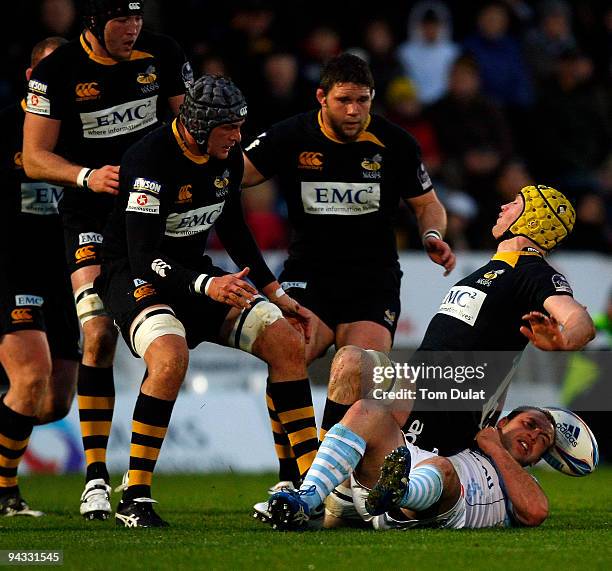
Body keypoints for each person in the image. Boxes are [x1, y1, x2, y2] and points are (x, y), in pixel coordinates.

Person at [95, 74, 319, 528]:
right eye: (229, 129)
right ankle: (134, 496)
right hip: (137, 276)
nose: (238, 138)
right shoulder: (149, 160)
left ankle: (306, 482)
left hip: (195, 274)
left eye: (240, 126)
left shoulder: (228, 157)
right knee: (170, 357)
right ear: (198, 126)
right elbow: (142, 257)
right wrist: (206, 286)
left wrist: (275, 293)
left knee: (285, 340)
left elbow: (233, 228)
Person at [242, 53, 455, 490]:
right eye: (344, 101)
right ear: (322, 97)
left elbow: (427, 203)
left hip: (371, 279)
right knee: (288, 355)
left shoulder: (395, 143)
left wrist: (432, 234)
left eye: (363, 100)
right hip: (308, 274)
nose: (354, 111)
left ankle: (328, 479)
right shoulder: (290, 135)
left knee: (360, 370)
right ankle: (294, 474)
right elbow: (231, 173)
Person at [21, 0, 192, 520]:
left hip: (151, 216)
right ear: (93, 23)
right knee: (97, 335)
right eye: (121, 19)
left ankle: (137, 481)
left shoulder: (162, 54)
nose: (133, 28)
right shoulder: (58, 71)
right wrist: (84, 176)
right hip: (91, 215)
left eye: (138, 17)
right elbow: (34, 157)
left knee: (168, 340)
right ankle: (95, 479)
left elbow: (189, 130)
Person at [307, 184, 594, 460]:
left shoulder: (533, 272)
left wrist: (565, 341)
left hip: (446, 402)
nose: (503, 206)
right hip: (423, 387)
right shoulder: (497, 269)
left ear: (533, 220)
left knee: (352, 366)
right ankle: (330, 482)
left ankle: (320, 480)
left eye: (515, 203)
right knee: (349, 364)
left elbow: (579, 320)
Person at [0, 37, 80, 517]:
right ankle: (5, 494)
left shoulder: (82, 133)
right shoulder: (5, 126)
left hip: (62, 273)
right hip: (11, 266)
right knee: (29, 377)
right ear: (32, 78)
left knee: (53, 402)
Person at [268, 405, 558, 531]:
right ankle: (306, 500)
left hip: (439, 504)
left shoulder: (526, 481)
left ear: (535, 461)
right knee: (368, 410)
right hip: (395, 482)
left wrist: (495, 447)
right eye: (530, 425)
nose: (533, 436)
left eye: (541, 441)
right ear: (503, 422)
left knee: (443, 469)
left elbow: (535, 512)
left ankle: (400, 493)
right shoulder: (471, 435)